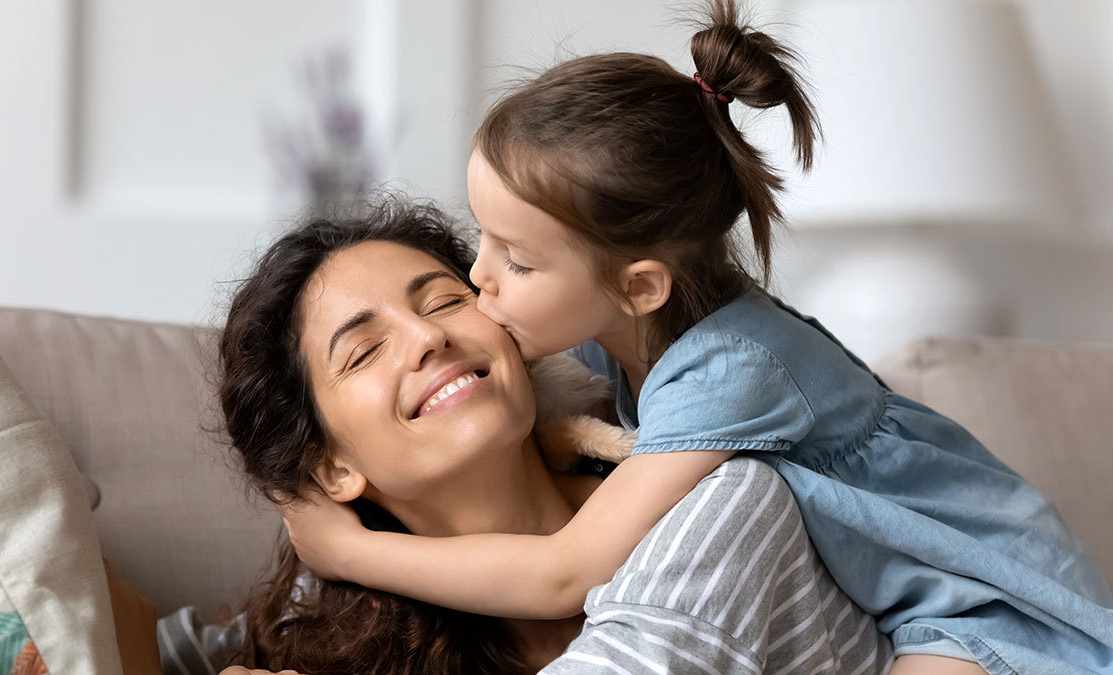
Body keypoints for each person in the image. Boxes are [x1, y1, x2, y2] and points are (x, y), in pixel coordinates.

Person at [281, 2, 1113, 673]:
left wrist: (350, 553)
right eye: (483, 240)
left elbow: (567, 571)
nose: (478, 280)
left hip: (990, 612)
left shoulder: (733, 369)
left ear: (639, 285)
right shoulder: (628, 330)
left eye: (519, 262)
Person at [207, 199, 890, 674]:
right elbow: (132, 632)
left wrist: (357, 549)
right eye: (363, 351)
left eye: (445, 299)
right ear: (331, 470)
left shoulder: (717, 502)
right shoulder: (345, 628)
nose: (427, 336)